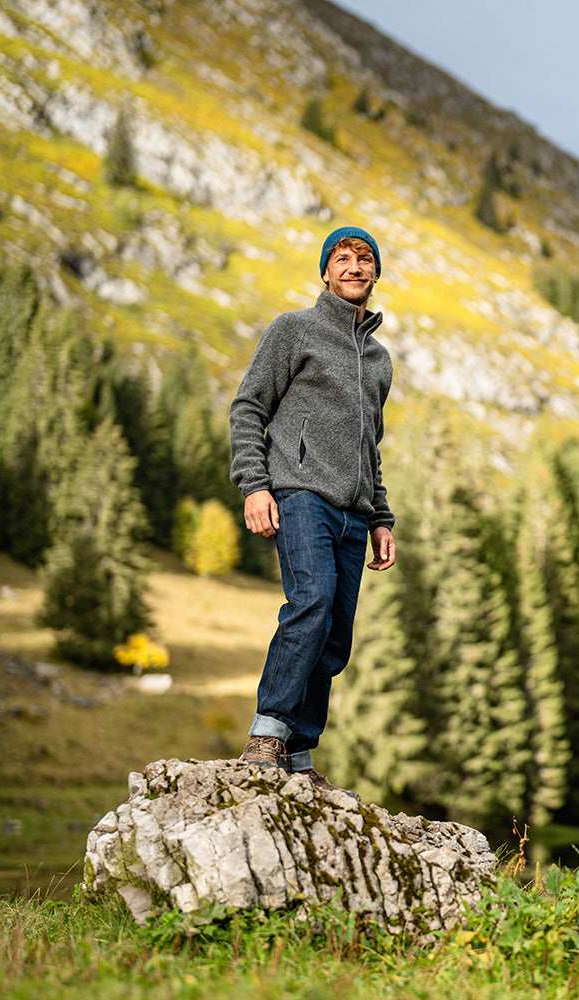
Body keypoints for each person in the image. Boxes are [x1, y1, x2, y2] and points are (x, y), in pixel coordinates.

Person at [229, 226, 397, 795]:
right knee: (312, 600)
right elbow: (249, 407)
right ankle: (265, 734)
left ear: (375, 273)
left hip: (354, 515)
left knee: (335, 637)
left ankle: (298, 755)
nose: (354, 266)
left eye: (364, 259)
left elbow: (369, 446)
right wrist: (255, 486)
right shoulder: (293, 331)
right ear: (325, 272)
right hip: (299, 495)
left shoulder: (378, 360)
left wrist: (380, 518)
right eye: (342, 258)